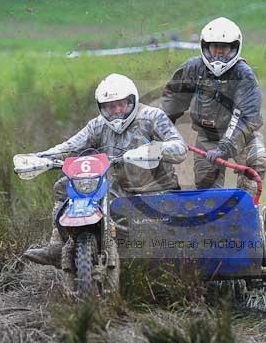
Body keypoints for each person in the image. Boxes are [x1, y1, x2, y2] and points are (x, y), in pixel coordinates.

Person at [24, 74, 187, 266]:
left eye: (121, 104)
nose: (117, 110)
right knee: (64, 186)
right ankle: (58, 246)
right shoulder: (97, 125)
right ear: (102, 107)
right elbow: (69, 147)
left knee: (163, 244)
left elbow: (180, 148)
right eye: (111, 106)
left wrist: (154, 150)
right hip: (117, 189)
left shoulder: (152, 117)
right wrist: (39, 157)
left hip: (157, 191)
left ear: (131, 101)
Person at [161, 17, 266, 196]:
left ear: (234, 48)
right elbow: (172, 99)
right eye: (215, 47)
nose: (219, 53)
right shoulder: (193, 68)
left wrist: (224, 148)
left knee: (257, 160)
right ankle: (213, 211)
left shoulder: (244, 75)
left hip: (243, 135)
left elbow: (246, 117)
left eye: (224, 48)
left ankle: (248, 203)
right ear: (205, 47)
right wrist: (160, 130)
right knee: (207, 192)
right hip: (208, 137)